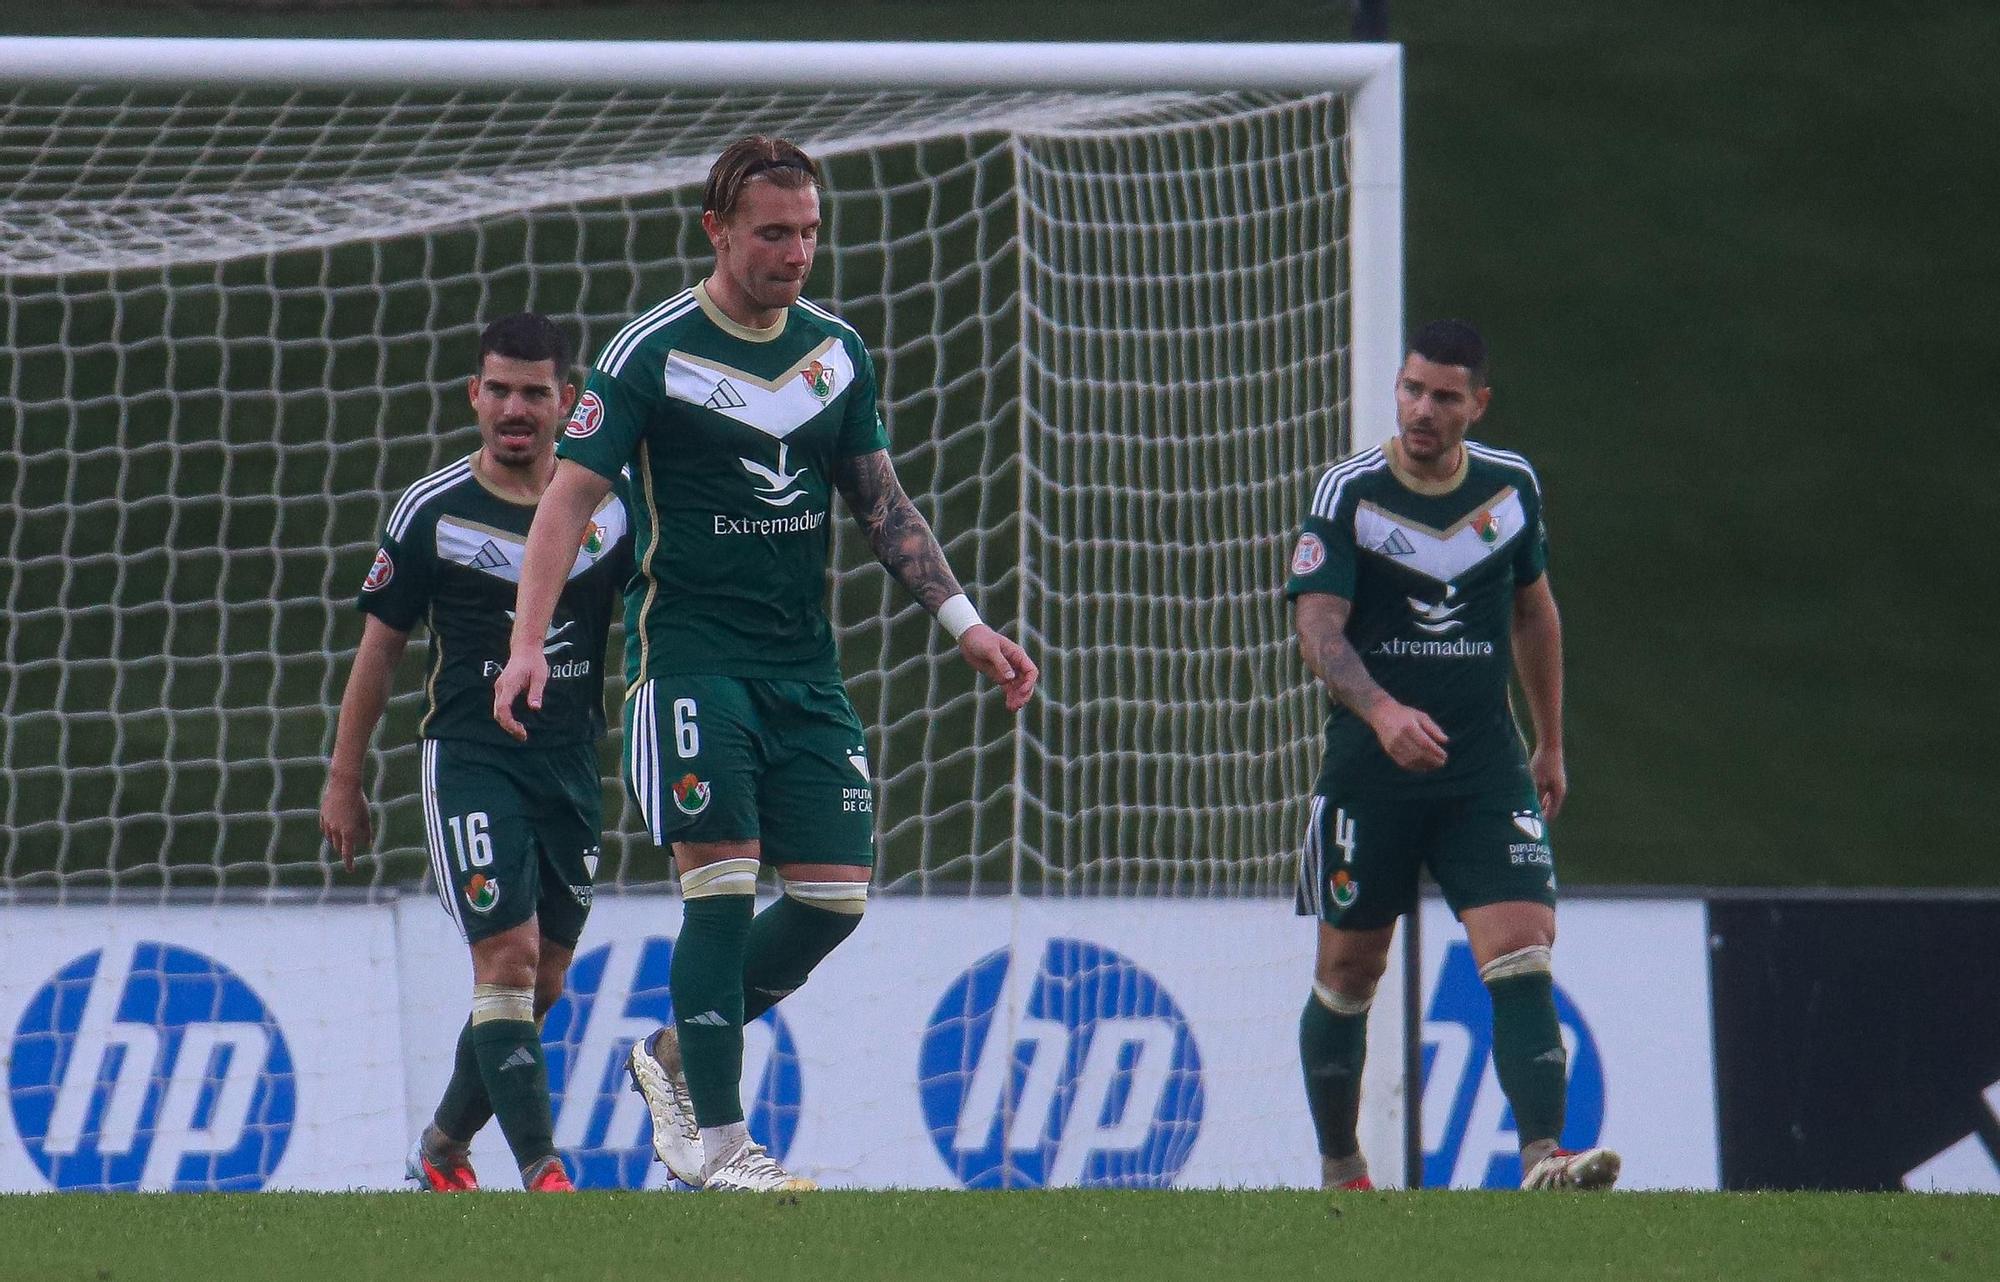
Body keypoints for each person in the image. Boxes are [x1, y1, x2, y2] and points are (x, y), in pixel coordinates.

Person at [492, 136, 1038, 1192]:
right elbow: (564, 501)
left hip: (804, 670)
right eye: (773, 233)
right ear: (718, 231)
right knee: (722, 888)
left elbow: (879, 502)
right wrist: (527, 645)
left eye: (809, 232)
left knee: (834, 899)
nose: (796, 252)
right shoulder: (648, 351)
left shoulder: (835, 350)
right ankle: (719, 1143)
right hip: (692, 658)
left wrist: (964, 621)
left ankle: (667, 1058)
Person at [1285, 320, 1619, 1191]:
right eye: (1410, 389)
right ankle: (1342, 1165)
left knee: (1522, 948)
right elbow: (1316, 627)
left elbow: (1532, 609)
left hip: (1483, 769)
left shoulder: (1511, 488)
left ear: (1479, 403)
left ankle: (1545, 1158)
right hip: (1369, 772)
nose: (1421, 409)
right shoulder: (1349, 492)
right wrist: (1384, 707)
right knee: (1350, 971)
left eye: (1442, 395)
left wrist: (1548, 740)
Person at [321, 313, 633, 1194]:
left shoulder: (607, 513)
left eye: (535, 391)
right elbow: (377, 655)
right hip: (470, 757)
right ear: (473, 396)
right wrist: (346, 780)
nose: (514, 407)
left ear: (569, 403)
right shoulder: (433, 510)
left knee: (548, 982)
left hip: (572, 762)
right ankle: (546, 1175)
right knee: (506, 961)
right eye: (497, 388)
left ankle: (441, 1149)